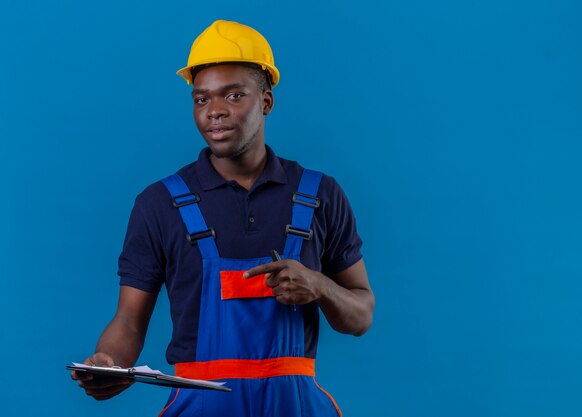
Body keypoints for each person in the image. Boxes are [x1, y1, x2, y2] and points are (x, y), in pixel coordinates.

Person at [71, 19, 374, 417]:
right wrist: (108, 362)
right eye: (202, 99)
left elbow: (361, 315)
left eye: (233, 95)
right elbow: (128, 321)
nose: (214, 111)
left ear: (266, 101)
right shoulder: (159, 204)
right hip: (200, 403)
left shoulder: (319, 195)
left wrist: (320, 286)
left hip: (295, 405)